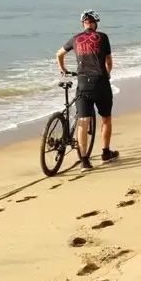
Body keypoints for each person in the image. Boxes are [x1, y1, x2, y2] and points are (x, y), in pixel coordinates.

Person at [56, 10, 119, 170]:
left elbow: (59, 54)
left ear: (83, 24)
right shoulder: (102, 37)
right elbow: (109, 62)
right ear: (95, 23)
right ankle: (105, 153)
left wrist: (63, 69)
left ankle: (84, 161)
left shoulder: (75, 38)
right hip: (101, 83)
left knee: (83, 121)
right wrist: (108, 74)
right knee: (106, 118)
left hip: (83, 83)